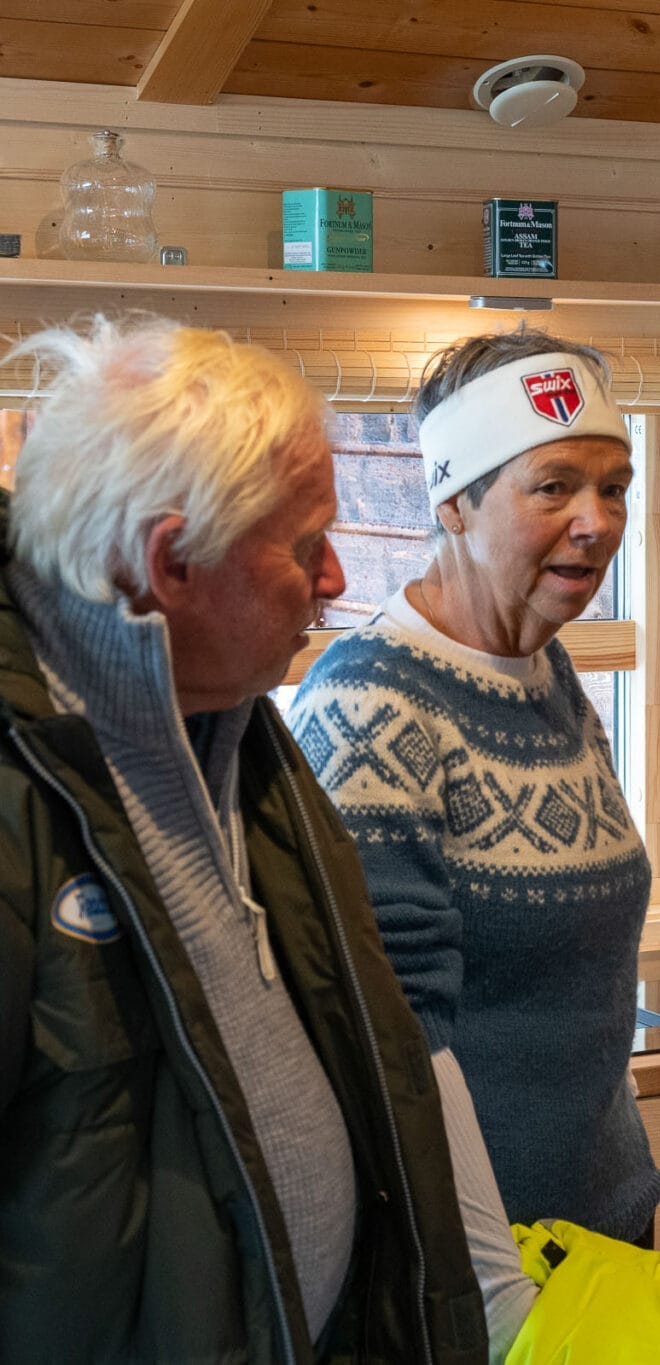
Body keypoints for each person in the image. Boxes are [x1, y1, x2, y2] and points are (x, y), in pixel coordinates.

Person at [0, 317, 502, 1361]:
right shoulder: (21, 803)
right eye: (307, 546)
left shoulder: (235, 718)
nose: (335, 580)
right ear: (170, 562)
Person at [288, 331, 660, 1249]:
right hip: (478, 1262)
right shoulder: (374, 701)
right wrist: (490, 1284)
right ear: (454, 501)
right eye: (554, 486)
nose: (597, 520)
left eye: (614, 487)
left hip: (605, 1228)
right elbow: (395, 1038)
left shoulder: (547, 671)